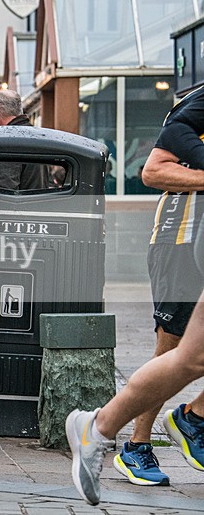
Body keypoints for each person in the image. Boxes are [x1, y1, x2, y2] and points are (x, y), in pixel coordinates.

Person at [66, 85, 204, 506]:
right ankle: (136, 445)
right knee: (174, 348)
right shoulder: (195, 107)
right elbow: (152, 172)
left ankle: (188, 419)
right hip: (181, 237)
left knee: (189, 354)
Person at [0, 89, 49, 191]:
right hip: (37, 203)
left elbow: (4, 188)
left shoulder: (8, 140)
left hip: (19, 205)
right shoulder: (37, 136)